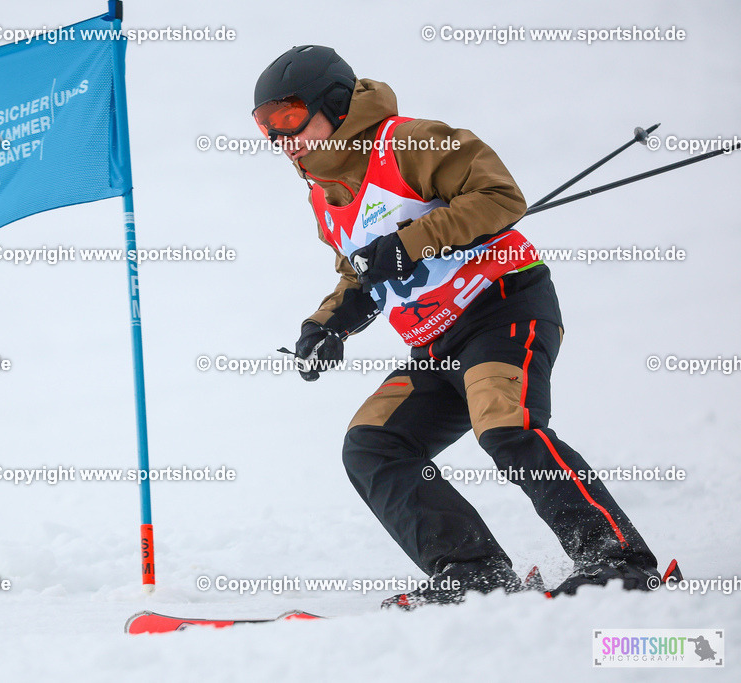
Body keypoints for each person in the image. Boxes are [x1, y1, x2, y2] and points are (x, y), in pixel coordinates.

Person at [252, 45, 664, 609]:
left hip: (503, 307)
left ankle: (617, 559)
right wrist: (329, 324)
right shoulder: (324, 198)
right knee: (373, 445)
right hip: (437, 344)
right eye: (265, 125)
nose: (280, 137)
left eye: (288, 116)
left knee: (504, 425)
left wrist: (408, 244)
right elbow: (360, 271)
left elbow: (500, 196)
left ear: (336, 104)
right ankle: (472, 571)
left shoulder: (409, 142)